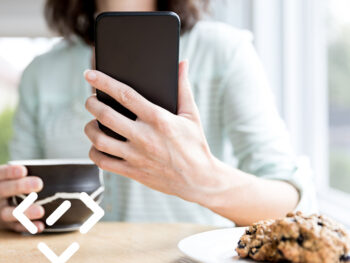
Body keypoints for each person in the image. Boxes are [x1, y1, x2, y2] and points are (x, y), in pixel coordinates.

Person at [0, 0, 317, 233]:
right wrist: (12, 210)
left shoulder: (224, 52)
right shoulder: (40, 74)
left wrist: (202, 179)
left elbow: (292, 205)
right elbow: (21, 195)